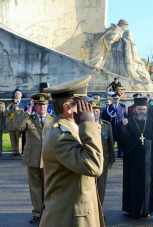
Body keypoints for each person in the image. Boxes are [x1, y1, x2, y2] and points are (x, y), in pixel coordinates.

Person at [40, 76, 105, 226]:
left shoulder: (71, 129)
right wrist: (89, 125)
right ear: (68, 108)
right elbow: (94, 166)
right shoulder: (61, 136)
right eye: (83, 104)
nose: (89, 108)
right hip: (69, 219)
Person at [116, 97, 153, 218]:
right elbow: (122, 141)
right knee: (134, 185)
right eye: (139, 109)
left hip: (150, 162)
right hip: (133, 162)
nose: (142, 111)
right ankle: (133, 209)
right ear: (134, 109)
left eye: (144, 109)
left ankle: (148, 209)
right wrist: (123, 127)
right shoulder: (128, 123)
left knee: (148, 186)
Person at [15, 93, 53, 224]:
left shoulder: (52, 119)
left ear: (47, 106)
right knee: (35, 187)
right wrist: (27, 111)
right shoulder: (29, 118)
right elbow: (17, 126)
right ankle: (37, 212)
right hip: (33, 158)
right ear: (34, 106)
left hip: (48, 159)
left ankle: (48, 212)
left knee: (48, 186)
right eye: (39, 105)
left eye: (44, 105)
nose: (42, 107)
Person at [92, 99, 115, 208]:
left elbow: (110, 143)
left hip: (103, 160)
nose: (94, 113)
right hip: (89, 160)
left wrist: (111, 159)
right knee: (89, 186)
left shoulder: (106, 125)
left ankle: (99, 208)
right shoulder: (84, 125)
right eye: (92, 111)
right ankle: (91, 209)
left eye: (96, 111)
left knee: (101, 186)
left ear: (100, 112)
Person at [102, 93, 127, 158]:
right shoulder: (108, 108)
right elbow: (106, 118)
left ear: (119, 99)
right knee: (111, 142)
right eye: (115, 99)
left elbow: (125, 117)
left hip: (120, 128)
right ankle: (111, 155)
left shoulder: (122, 107)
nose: (116, 100)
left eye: (117, 99)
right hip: (111, 127)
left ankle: (120, 155)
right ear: (112, 99)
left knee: (120, 143)